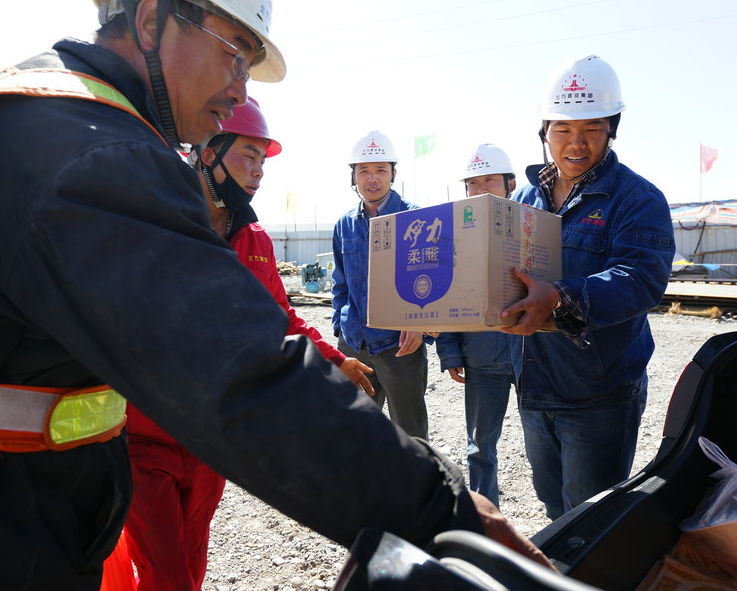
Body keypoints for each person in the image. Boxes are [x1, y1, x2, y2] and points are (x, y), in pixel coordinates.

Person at [0, 0, 550, 588]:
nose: (241, 90)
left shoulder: (46, 113)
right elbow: (240, 375)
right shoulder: (92, 153)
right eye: (235, 55)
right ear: (150, 21)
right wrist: (445, 512)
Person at [124, 98, 374, 589]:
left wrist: (334, 360)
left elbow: (279, 315)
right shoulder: (154, 219)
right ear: (207, 155)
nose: (259, 171)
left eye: (263, 160)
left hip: (211, 434)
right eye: (248, 155)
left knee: (192, 554)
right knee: (165, 570)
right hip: (145, 434)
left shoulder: (255, 238)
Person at [501, 54, 676, 521]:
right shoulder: (524, 199)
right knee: (552, 507)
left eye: (591, 128)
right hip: (534, 383)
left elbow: (641, 279)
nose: (576, 143)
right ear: (544, 131)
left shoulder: (637, 199)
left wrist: (560, 296)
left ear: (612, 129)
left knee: (590, 517)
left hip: (598, 393)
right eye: (562, 129)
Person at [435, 143, 520, 508]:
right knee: (480, 445)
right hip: (482, 357)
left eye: (490, 181)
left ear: (510, 184)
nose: (481, 190)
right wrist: (450, 351)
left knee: (545, 441)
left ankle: (562, 520)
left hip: (532, 355)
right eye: (473, 183)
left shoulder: (533, 224)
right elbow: (444, 294)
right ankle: (486, 517)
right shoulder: (454, 234)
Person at [332, 131, 432, 440]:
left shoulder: (416, 219)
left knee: (410, 435)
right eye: (364, 170)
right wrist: (340, 328)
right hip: (354, 345)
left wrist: (421, 327)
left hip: (399, 345)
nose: (372, 178)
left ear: (393, 174)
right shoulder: (344, 224)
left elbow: (432, 283)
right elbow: (340, 284)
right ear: (353, 176)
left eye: (380, 170)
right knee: (355, 432)